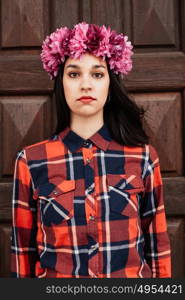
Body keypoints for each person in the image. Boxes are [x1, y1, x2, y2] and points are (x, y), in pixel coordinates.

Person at [11, 22, 171, 278]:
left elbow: (158, 245)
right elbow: (22, 252)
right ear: (61, 83)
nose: (86, 85)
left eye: (97, 74)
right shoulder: (31, 161)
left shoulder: (143, 157)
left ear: (110, 84)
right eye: (74, 74)